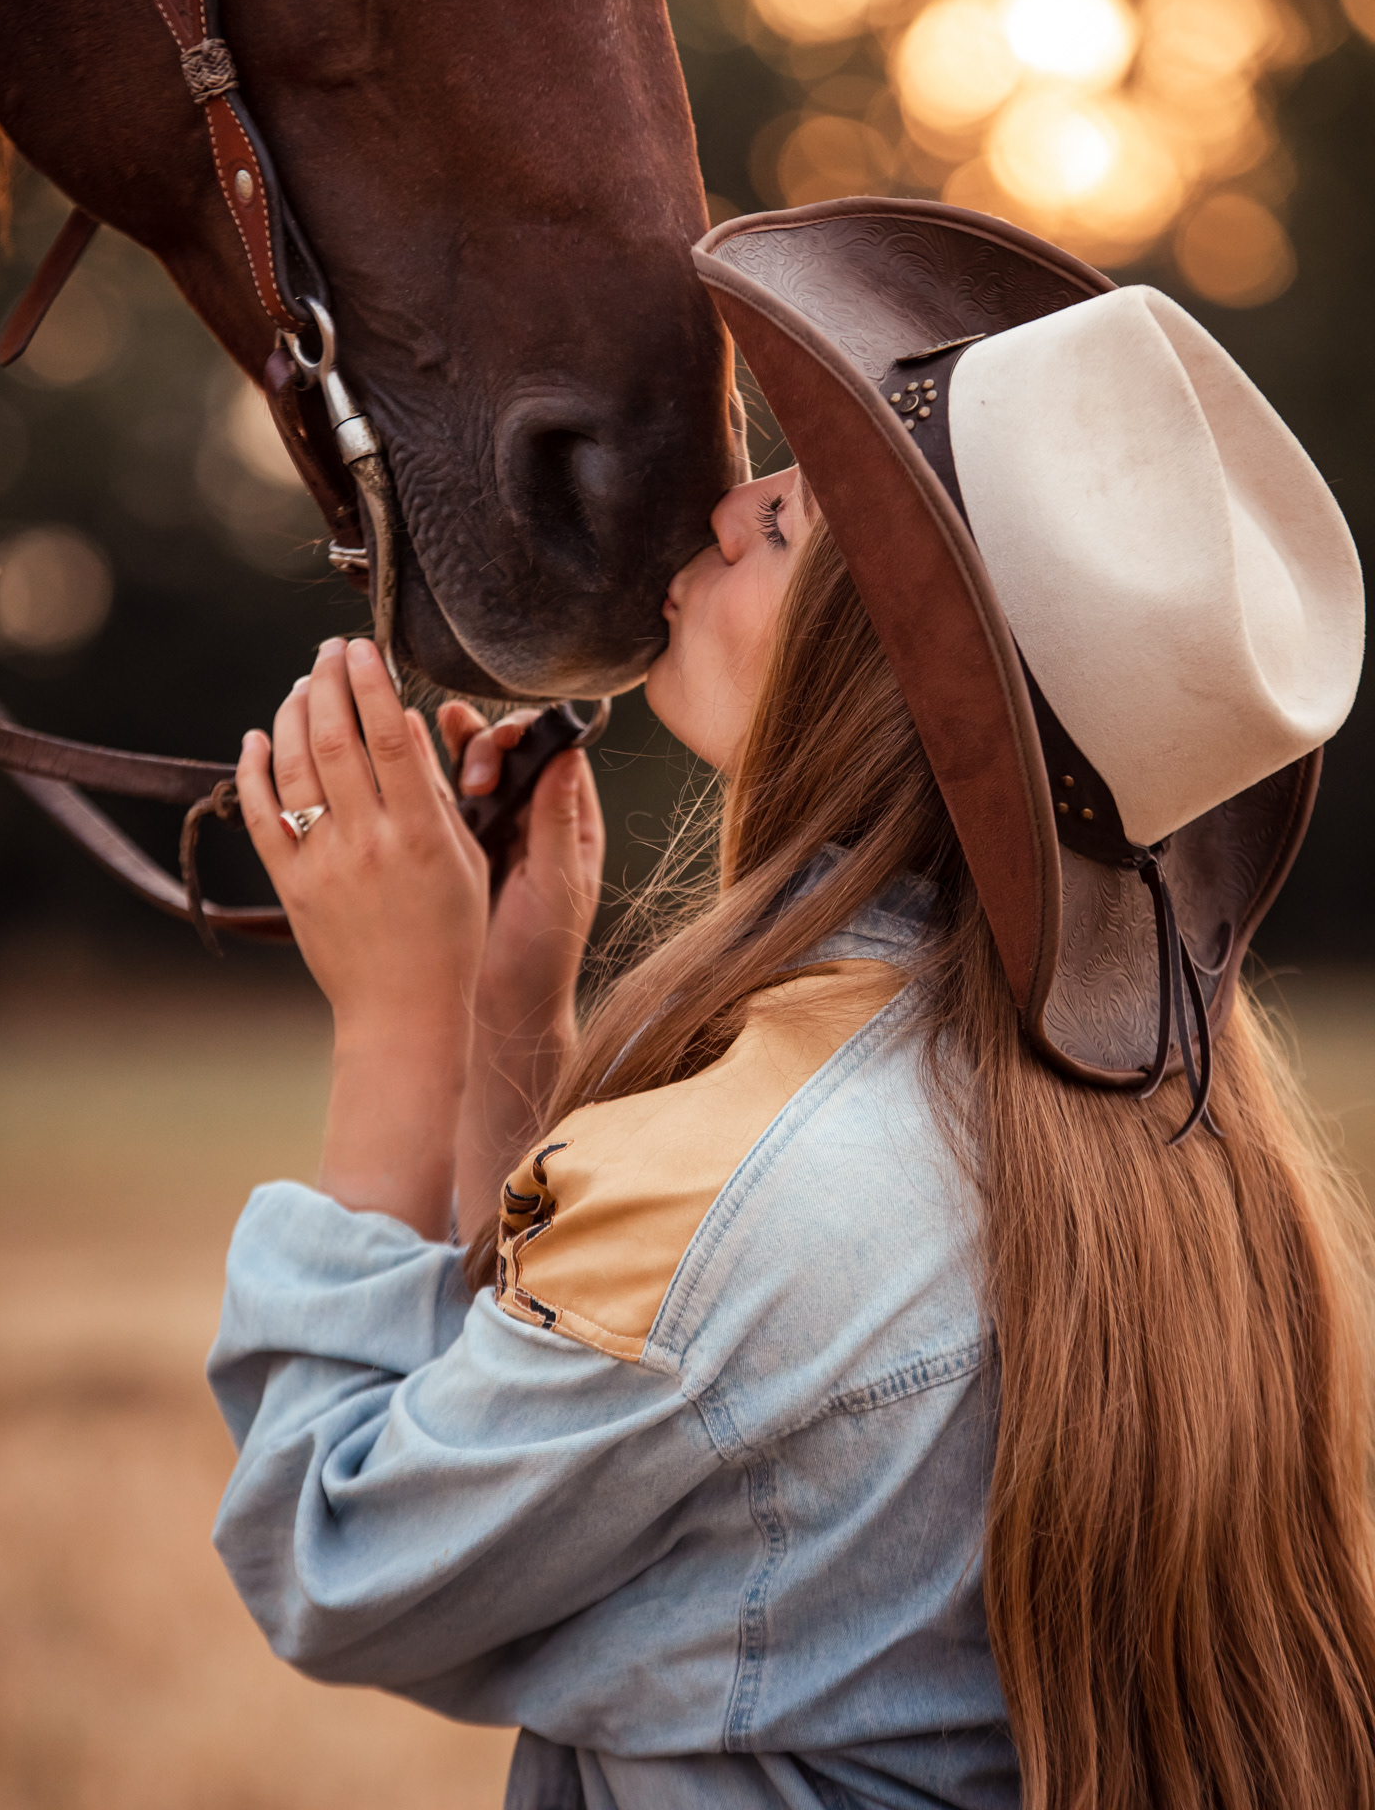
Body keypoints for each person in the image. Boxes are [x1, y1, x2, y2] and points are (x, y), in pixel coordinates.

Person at [210, 201, 1375, 1810]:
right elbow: (616, 1432)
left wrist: (394, 1024)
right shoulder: (1175, 1153)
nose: (735, 497)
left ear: (900, 677)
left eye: (810, 512)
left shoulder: (747, 1177)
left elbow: (337, 1553)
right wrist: (505, 1020)